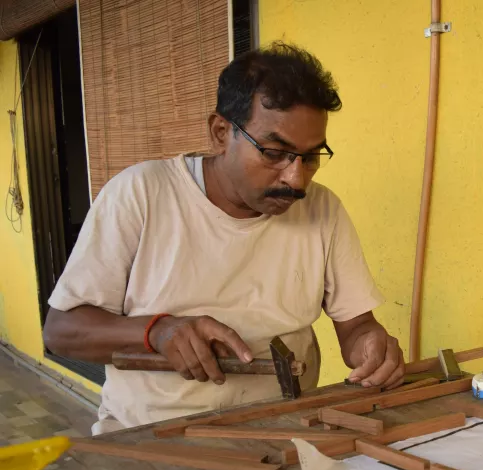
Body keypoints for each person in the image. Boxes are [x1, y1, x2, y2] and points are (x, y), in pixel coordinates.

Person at [43, 43, 404, 434]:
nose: (296, 179)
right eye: (273, 152)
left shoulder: (322, 210)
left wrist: (372, 346)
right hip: (152, 432)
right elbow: (62, 331)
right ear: (220, 132)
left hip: (284, 427)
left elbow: (355, 328)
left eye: (312, 156)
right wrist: (156, 331)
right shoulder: (141, 194)